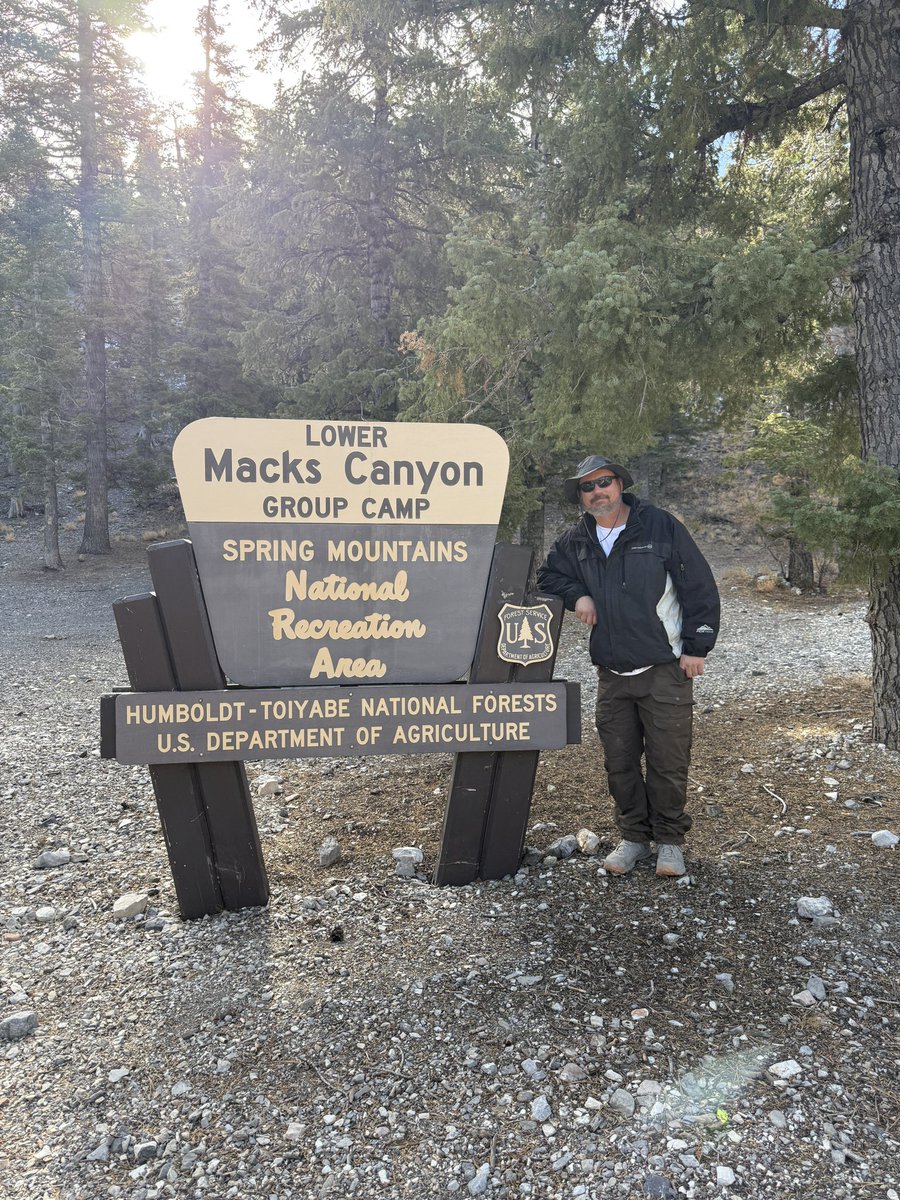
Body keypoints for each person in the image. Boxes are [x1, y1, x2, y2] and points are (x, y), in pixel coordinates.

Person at [537, 455, 720, 877]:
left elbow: (698, 585)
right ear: (580, 497)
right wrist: (577, 596)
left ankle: (670, 841)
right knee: (619, 761)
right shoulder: (575, 539)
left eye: (604, 482)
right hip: (611, 673)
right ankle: (634, 837)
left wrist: (698, 646)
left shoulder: (659, 526)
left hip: (665, 667)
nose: (597, 491)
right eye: (587, 487)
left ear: (620, 484)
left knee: (668, 761)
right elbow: (549, 578)